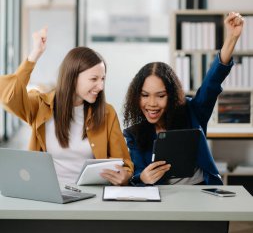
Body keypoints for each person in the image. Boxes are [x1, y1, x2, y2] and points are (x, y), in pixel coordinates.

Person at [0, 27, 133, 185]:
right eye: (94, 79)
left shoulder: (107, 113)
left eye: (103, 79)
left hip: (92, 198)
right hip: (48, 195)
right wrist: (35, 54)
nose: (101, 86)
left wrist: (125, 174)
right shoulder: (40, 105)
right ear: (73, 77)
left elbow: (125, 163)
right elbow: (9, 95)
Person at [123, 12, 244, 186]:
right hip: (162, 199)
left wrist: (232, 38)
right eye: (144, 95)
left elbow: (212, 83)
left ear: (171, 96)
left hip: (201, 192)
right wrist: (142, 178)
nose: (151, 103)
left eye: (161, 96)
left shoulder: (193, 111)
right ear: (136, 97)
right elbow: (138, 175)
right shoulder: (134, 134)